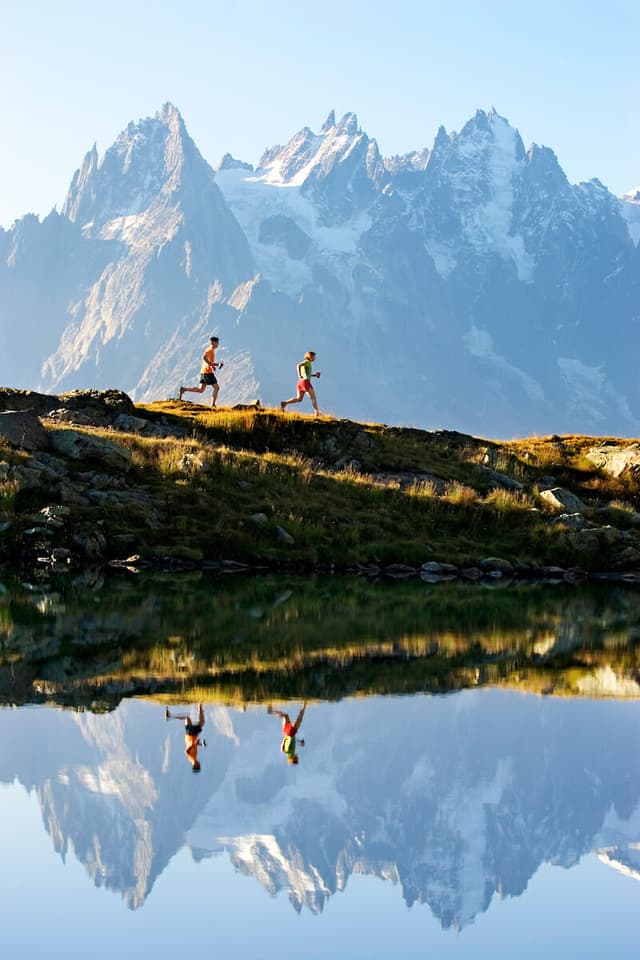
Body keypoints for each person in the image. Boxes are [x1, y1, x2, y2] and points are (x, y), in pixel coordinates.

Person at [179, 336, 224, 408]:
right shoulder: (210, 350)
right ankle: (213, 405)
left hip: (204, 372)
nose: (218, 344)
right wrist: (211, 365)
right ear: (214, 343)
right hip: (208, 372)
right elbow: (204, 357)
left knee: (201, 390)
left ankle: (184, 389)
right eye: (217, 343)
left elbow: (209, 361)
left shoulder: (210, 350)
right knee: (216, 388)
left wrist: (216, 365)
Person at [165, 703, 206, 771]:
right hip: (190, 736)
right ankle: (200, 705)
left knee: (199, 721)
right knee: (197, 721)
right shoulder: (194, 758)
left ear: (196, 766)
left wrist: (193, 744)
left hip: (191, 736)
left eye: (199, 765)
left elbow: (186, 751)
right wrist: (199, 743)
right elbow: (193, 745)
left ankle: (200, 705)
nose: (200, 764)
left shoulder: (192, 759)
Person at [280, 351, 321, 417]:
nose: (315, 358)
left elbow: (307, 374)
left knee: (299, 399)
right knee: (313, 398)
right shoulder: (307, 362)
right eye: (314, 357)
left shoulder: (308, 364)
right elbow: (298, 365)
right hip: (305, 382)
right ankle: (317, 413)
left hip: (300, 382)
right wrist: (299, 375)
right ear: (310, 357)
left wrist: (315, 375)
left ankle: (285, 403)